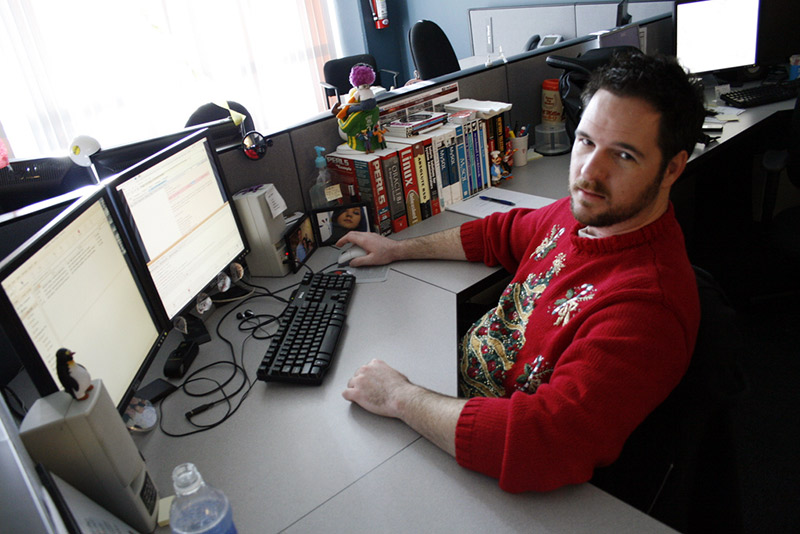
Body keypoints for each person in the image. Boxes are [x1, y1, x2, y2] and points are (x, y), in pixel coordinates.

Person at [337, 51, 707, 493]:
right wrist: (397, 250)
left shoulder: (648, 309)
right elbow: (497, 233)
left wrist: (399, 397)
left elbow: (543, 442)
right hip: (449, 402)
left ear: (673, 168)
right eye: (586, 141)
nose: (589, 172)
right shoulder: (586, 213)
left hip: (495, 463)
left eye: (623, 155)